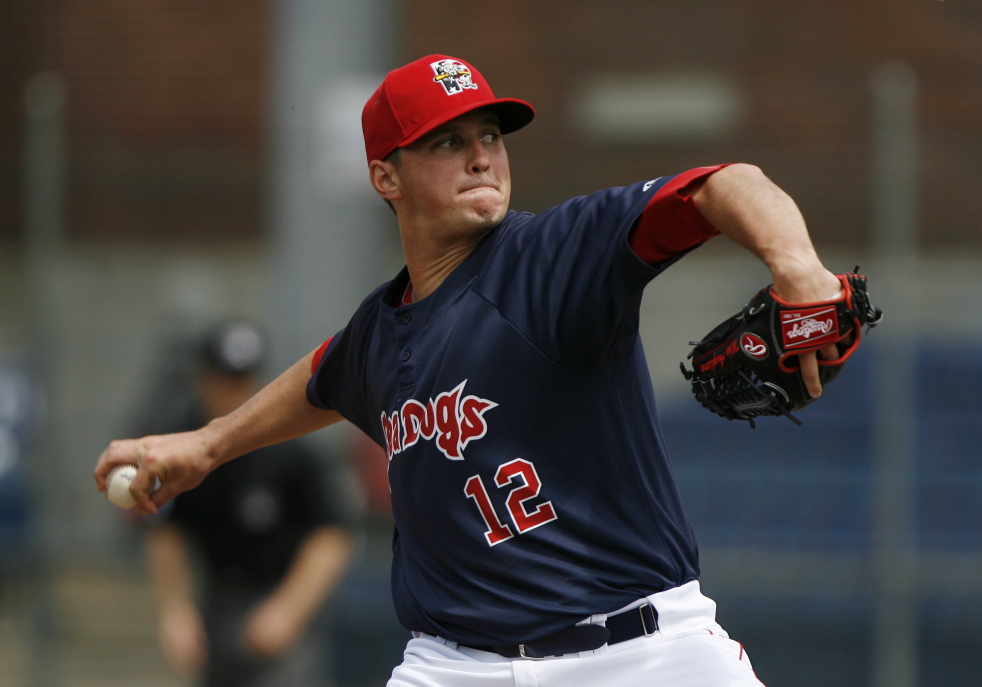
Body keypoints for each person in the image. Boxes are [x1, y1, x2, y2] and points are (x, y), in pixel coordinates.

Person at [97, 54, 847, 686]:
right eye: (446, 142)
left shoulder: (556, 256)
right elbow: (324, 375)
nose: (481, 154)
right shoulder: (380, 330)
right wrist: (209, 443)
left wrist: (797, 267)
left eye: (489, 134)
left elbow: (722, 184)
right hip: (454, 665)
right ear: (385, 177)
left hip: (641, 651)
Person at [138, 321, 355, 687]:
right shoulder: (184, 445)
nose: (232, 391)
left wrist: (288, 610)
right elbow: (167, 532)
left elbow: (331, 536)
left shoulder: (289, 448)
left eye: (241, 379)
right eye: (222, 378)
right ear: (202, 378)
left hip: (278, 594)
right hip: (220, 602)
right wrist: (176, 611)